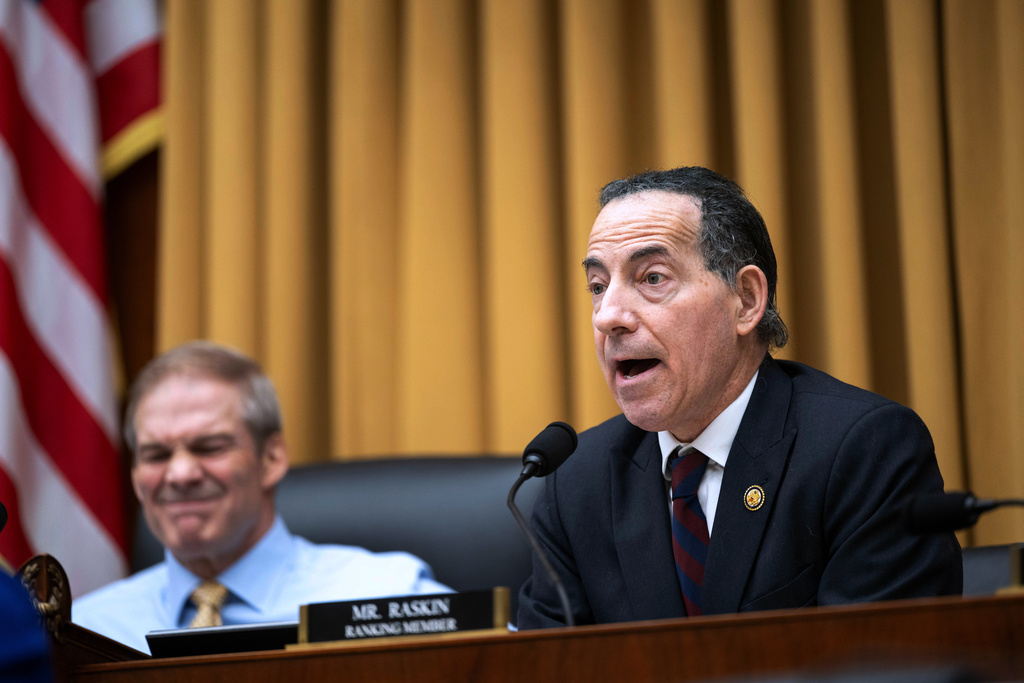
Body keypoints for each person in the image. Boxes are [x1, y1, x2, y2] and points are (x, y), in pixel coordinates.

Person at [518, 166, 962, 628]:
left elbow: (891, 665)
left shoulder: (863, 450)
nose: (609, 316)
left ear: (746, 300)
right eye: (597, 286)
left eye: (652, 278)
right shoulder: (575, 482)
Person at [73, 341, 449, 653]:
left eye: (209, 447)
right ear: (136, 476)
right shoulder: (84, 632)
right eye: (156, 455)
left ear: (271, 459)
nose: (180, 474)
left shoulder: (387, 598)